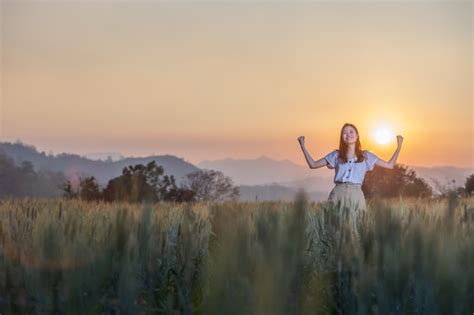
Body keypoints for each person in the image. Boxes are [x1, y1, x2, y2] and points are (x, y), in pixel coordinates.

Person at [297, 123, 404, 233]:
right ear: (342, 137)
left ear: (357, 135)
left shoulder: (366, 155)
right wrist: (303, 146)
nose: (348, 134)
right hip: (338, 192)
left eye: (351, 132)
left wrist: (399, 146)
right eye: (344, 133)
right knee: (332, 227)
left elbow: (390, 165)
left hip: (356, 194)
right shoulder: (336, 155)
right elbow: (313, 165)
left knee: (358, 228)